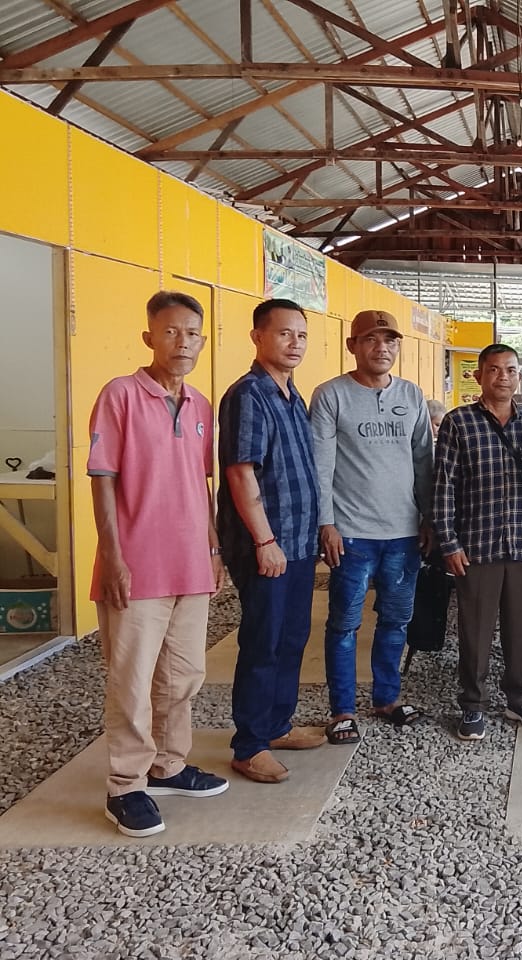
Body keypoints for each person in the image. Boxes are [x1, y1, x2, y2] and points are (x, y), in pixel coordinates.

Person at [87, 291, 228, 837]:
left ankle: (167, 765)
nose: (182, 343)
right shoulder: (120, 395)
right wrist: (112, 556)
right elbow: (103, 479)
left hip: (190, 563)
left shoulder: (200, 405)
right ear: (149, 337)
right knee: (132, 679)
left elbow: (200, 484)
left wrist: (212, 549)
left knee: (183, 675)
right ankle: (124, 785)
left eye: (192, 334)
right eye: (170, 332)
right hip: (136, 565)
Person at [311, 309, 433, 746]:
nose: (382, 348)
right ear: (353, 346)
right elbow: (320, 465)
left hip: (403, 534)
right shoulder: (331, 395)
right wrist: (326, 523)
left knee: (396, 622)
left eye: (390, 340)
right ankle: (342, 709)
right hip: (352, 534)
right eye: (370, 339)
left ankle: (387, 699)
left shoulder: (412, 395)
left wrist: (428, 517)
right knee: (344, 625)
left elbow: (424, 462)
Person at [218, 298, 324, 784]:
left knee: (292, 637)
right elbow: (241, 471)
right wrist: (264, 540)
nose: (294, 343)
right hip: (268, 545)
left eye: (301, 335)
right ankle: (250, 744)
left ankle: (278, 724)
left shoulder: (291, 396)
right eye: (284, 333)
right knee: (264, 641)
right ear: (257, 336)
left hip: (298, 543)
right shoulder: (249, 395)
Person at [432, 343, 522, 741]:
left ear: (519, 376)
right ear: (479, 376)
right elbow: (444, 487)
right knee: (475, 629)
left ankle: (521, 699)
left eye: (511, 370)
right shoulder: (458, 423)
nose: (503, 377)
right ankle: (473, 704)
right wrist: (449, 543)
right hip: (476, 545)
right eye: (494, 369)